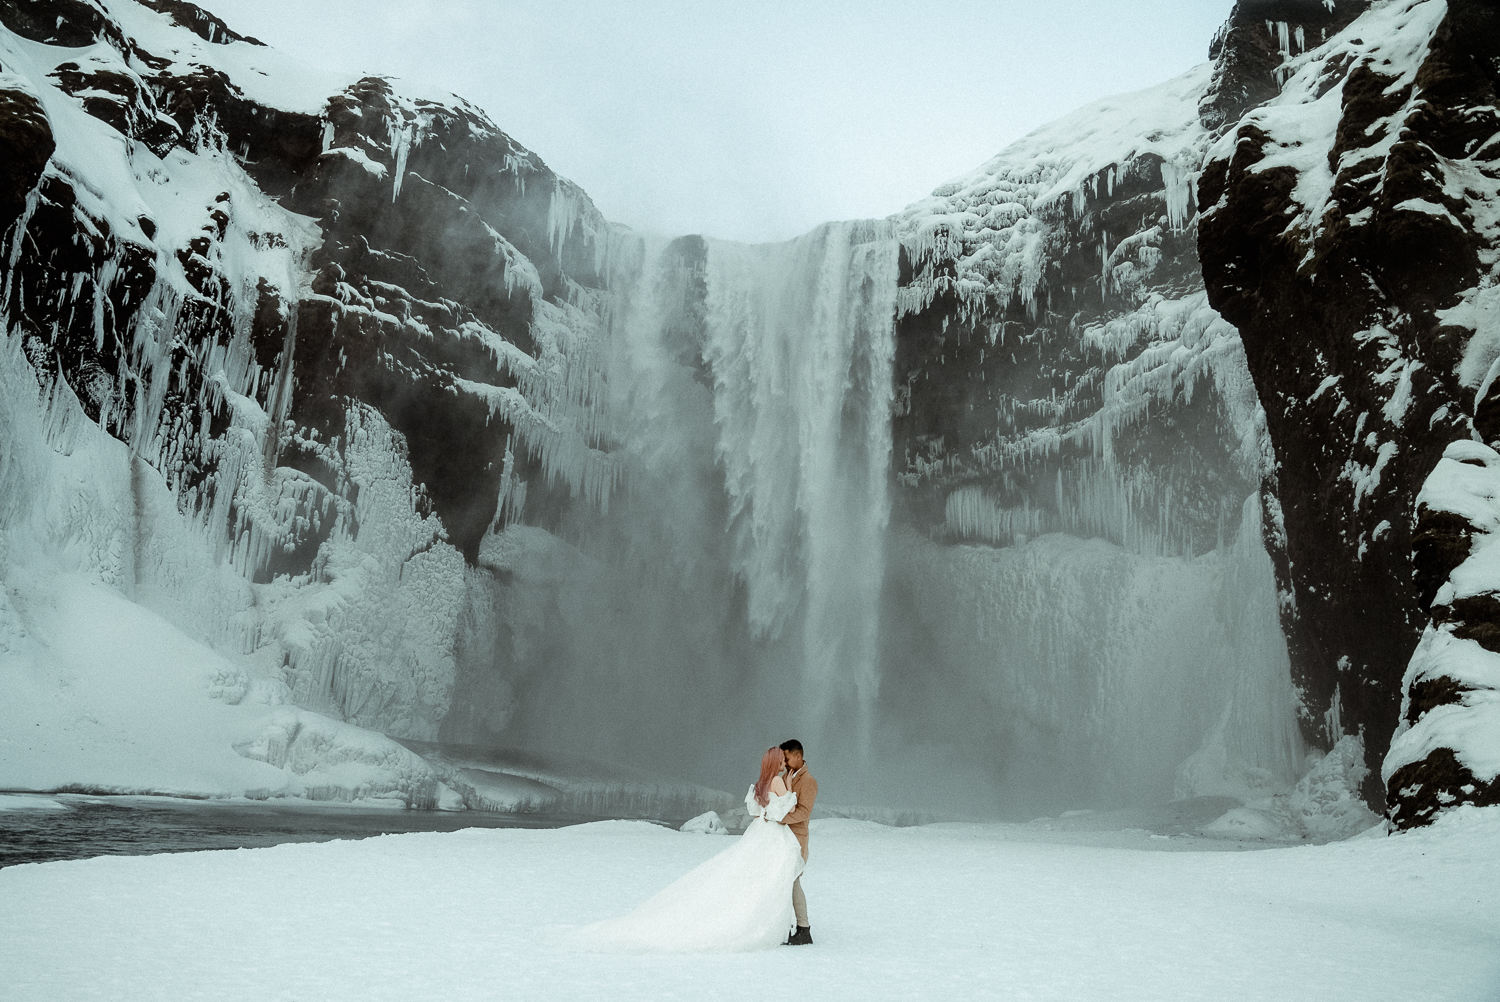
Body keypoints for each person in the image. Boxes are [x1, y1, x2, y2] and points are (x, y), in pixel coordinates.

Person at [576, 746, 807, 952]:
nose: (783, 763)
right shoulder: (777, 782)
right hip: (773, 834)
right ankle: (774, 924)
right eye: (781, 760)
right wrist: (788, 786)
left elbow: (756, 812)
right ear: (774, 762)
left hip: (758, 832)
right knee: (775, 876)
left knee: (754, 877)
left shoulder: (760, 784)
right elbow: (789, 806)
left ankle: (771, 920)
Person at [778, 738, 817, 946]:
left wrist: (779, 818)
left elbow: (804, 812)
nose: (784, 761)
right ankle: (793, 927)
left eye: (786, 757)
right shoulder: (787, 776)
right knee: (786, 882)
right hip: (784, 838)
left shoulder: (809, 782)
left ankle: (804, 929)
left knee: (793, 881)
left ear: (798, 756)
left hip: (797, 839)